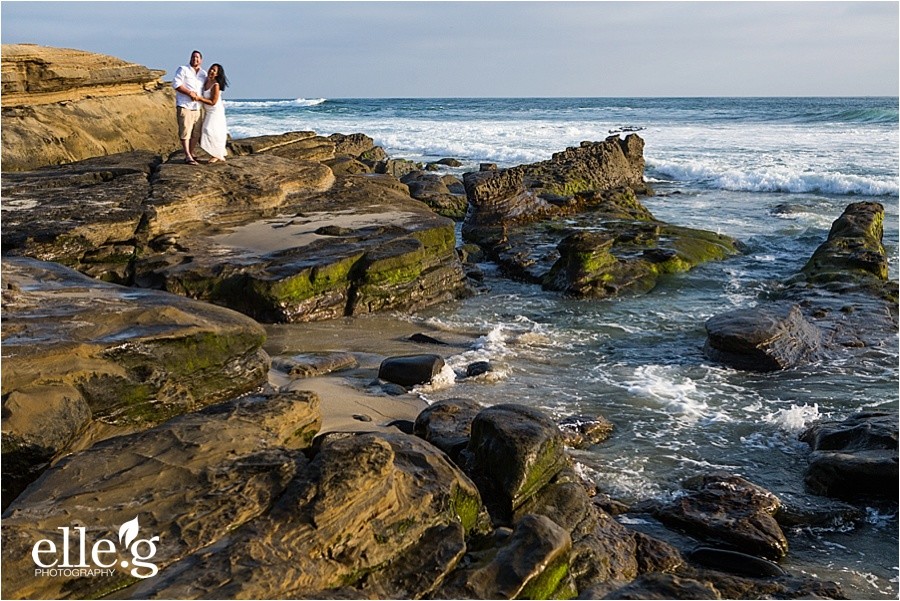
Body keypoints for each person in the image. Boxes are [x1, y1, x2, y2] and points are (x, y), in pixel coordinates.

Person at [172, 50, 207, 165]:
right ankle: (187, 155)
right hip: (185, 105)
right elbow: (176, 84)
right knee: (185, 131)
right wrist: (189, 93)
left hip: (197, 107)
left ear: (201, 60)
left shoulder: (203, 74)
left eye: (197, 57)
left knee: (196, 132)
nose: (195, 59)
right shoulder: (183, 69)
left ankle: (191, 154)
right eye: (193, 57)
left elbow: (206, 89)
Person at [196, 63, 230, 163]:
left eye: (214, 70)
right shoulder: (206, 81)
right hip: (207, 111)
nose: (211, 71)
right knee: (208, 130)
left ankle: (217, 154)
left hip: (215, 111)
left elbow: (213, 102)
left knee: (210, 130)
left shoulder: (216, 85)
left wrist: (199, 98)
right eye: (211, 69)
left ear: (217, 74)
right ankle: (216, 153)